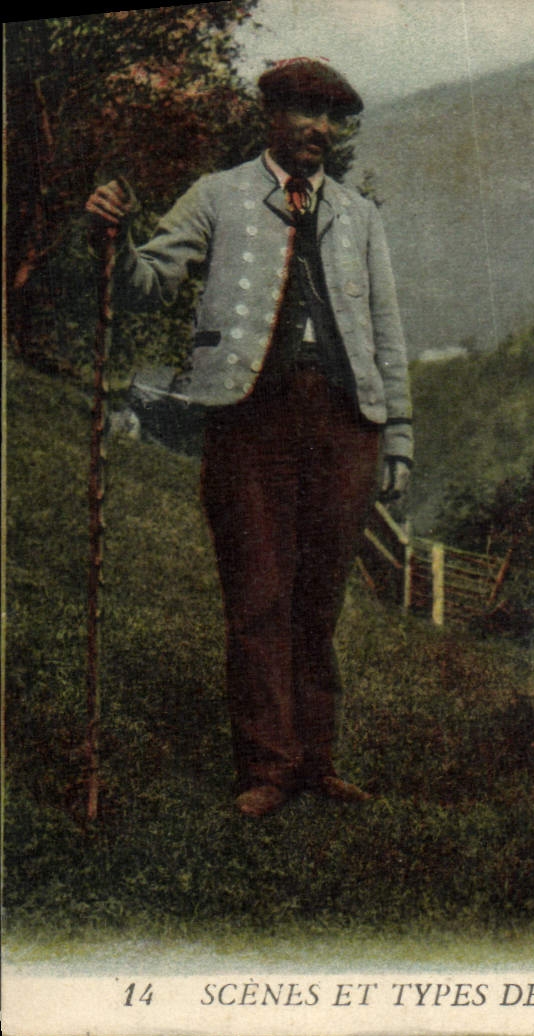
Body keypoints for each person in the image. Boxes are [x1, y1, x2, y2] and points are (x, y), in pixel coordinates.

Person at [85, 58, 414, 815]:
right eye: (306, 113)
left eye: (334, 120)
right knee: (258, 596)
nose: (321, 132)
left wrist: (396, 438)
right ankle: (267, 768)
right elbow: (145, 282)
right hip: (247, 421)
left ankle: (317, 763)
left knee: (319, 601)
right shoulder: (218, 196)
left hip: (344, 425)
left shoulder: (360, 217)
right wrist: (113, 232)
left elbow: (388, 335)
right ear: (270, 115)